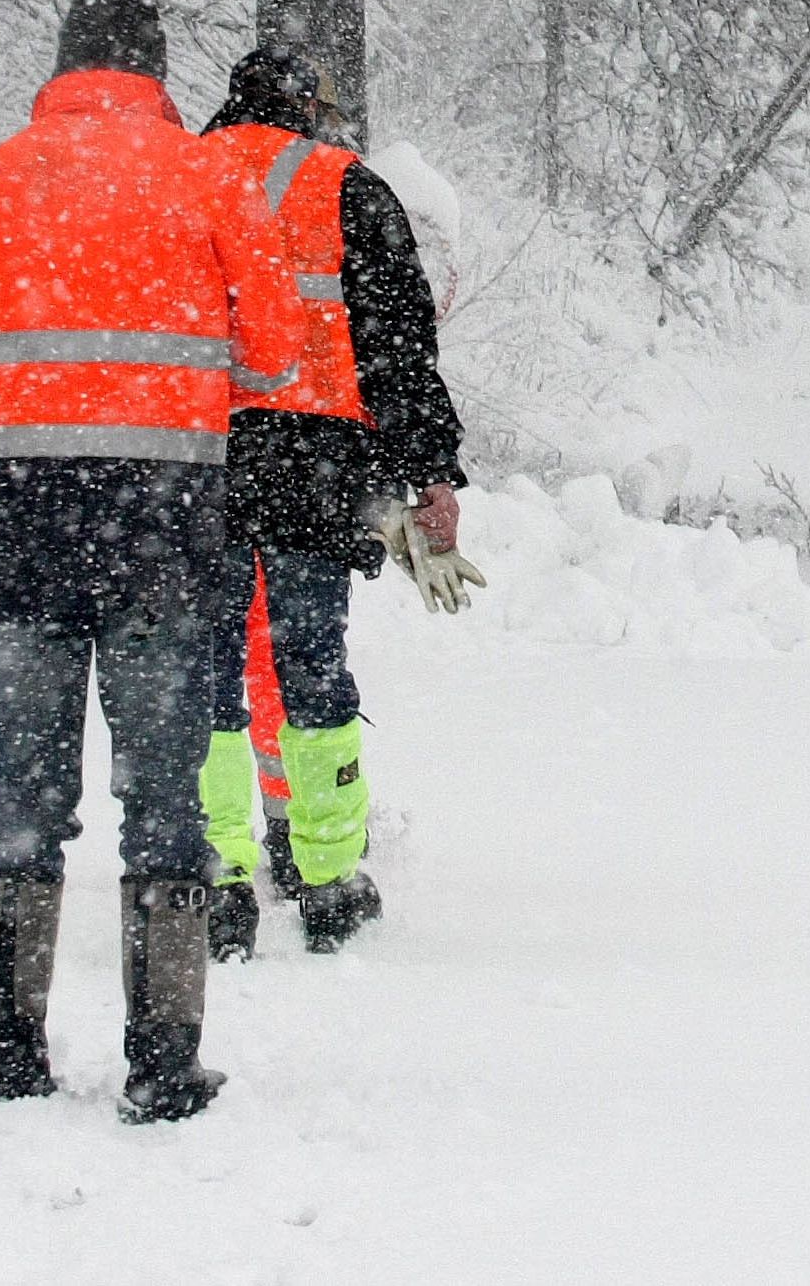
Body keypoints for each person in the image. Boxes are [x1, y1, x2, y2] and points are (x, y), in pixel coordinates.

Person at [0, 0, 306, 1122]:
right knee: (163, 790)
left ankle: (13, 1047)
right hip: (162, 520)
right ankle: (163, 1060)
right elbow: (273, 356)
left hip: (19, 508)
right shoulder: (205, 182)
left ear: (63, 62)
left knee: (25, 789)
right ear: (157, 72)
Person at [197, 47, 472, 958]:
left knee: (204, 670)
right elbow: (398, 349)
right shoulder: (347, 188)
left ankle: (215, 876)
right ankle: (323, 880)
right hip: (315, 465)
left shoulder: (178, 181)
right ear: (306, 110)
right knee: (310, 661)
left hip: (195, 455)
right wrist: (428, 475)